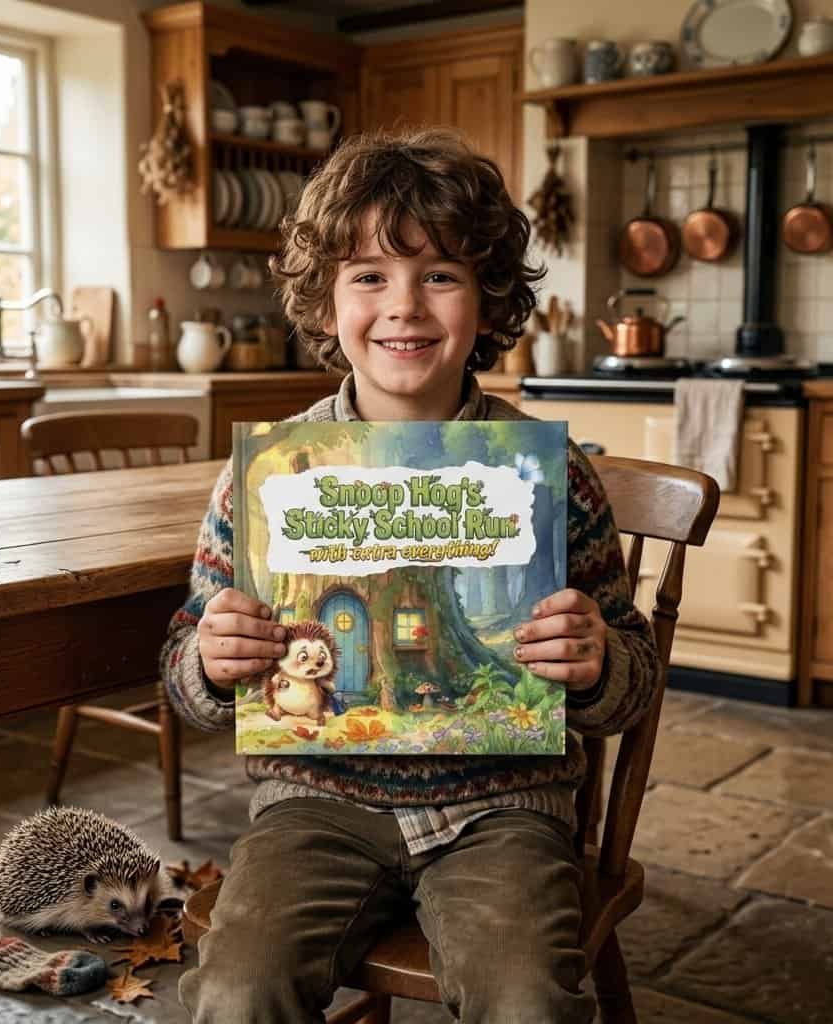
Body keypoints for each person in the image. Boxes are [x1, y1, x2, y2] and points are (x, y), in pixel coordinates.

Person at [160, 127, 659, 1024]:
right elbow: (185, 673)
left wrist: (597, 663)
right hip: (313, 808)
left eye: (440, 275)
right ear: (325, 300)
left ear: (486, 299)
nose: (405, 307)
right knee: (237, 990)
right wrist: (210, 656)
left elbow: (632, 678)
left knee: (527, 1000)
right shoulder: (275, 475)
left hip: (502, 811)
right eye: (368, 276)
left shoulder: (548, 476)